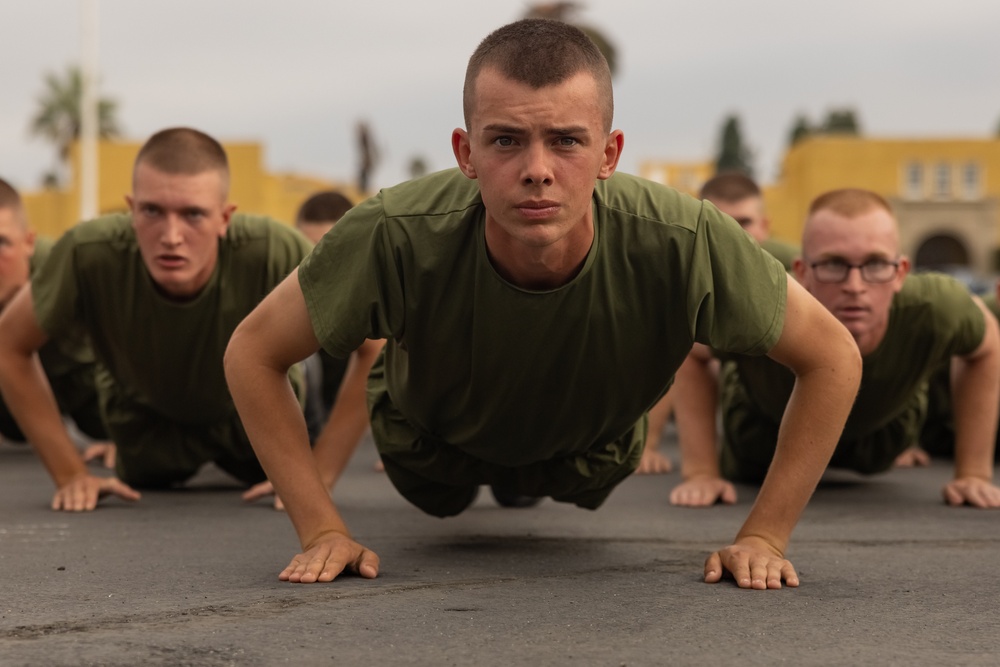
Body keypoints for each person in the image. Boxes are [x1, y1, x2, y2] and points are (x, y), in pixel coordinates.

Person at [224, 18, 861, 589]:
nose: (537, 169)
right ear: (464, 152)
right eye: (505, 141)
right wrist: (321, 529)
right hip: (429, 449)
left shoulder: (684, 238)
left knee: (548, 488)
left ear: (609, 153)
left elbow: (832, 355)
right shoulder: (394, 228)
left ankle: (525, 477)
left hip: (588, 457)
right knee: (443, 498)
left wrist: (764, 536)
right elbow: (254, 352)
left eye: (565, 141)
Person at [0, 127, 313, 511]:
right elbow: (9, 343)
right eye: (152, 211)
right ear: (131, 210)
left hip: (258, 422)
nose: (171, 236)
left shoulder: (274, 250)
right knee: (142, 480)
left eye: (193, 214)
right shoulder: (88, 253)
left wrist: (321, 475)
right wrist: (70, 474)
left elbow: (370, 345)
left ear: (224, 218)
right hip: (146, 428)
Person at [671, 188, 1000, 509]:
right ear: (801, 273)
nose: (855, 287)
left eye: (875, 264)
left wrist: (973, 472)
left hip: (881, 442)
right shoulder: (761, 302)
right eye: (833, 265)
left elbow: (986, 344)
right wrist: (701, 471)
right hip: (763, 442)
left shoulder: (936, 306)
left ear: (901, 273)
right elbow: (693, 353)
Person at [637, 172, 798, 475]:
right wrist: (648, 447)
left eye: (743, 223)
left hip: (755, 376)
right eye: (718, 223)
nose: (731, 236)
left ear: (764, 226)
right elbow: (668, 351)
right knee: (685, 339)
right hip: (690, 378)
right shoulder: (682, 264)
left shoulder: (792, 264)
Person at [0, 178, 107, 448]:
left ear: (29, 241)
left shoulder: (68, 269)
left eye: (2, 243)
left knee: (148, 461)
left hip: (91, 391)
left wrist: (127, 440)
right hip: (13, 405)